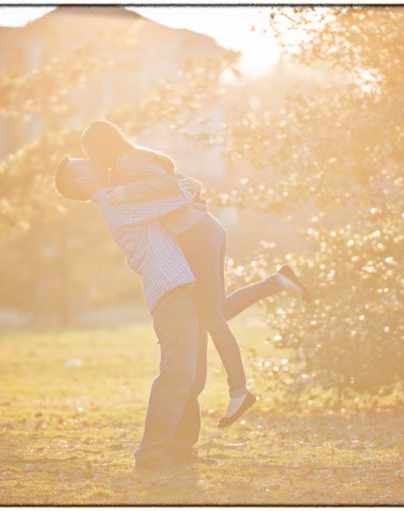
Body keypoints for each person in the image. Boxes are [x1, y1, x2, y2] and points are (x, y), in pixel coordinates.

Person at [79, 120, 311, 427]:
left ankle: (239, 391)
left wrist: (125, 190)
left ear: (101, 145)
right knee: (216, 311)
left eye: (90, 152)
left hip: (196, 235)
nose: (93, 160)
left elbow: (171, 188)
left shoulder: (126, 164)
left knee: (212, 318)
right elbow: (188, 185)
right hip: (203, 231)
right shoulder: (138, 159)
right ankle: (278, 282)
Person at [55, 155, 206, 471]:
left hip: (179, 286)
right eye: (83, 162)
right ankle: (150, 456)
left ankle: (180, 450)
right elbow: (168, 205)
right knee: (177, 374)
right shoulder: (114, 203)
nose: (91, 159)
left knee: (190, 374)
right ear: (82, 180)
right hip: (169, 290)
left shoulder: (118, 195)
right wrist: (188, 188)